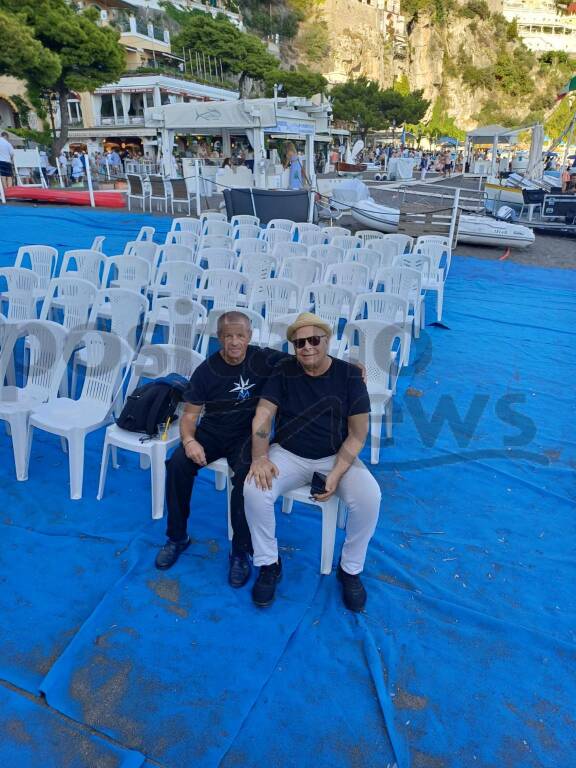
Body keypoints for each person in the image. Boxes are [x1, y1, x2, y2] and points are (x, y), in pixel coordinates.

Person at [244, 312, 381, 613]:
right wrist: (259, 456)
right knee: (254, 489)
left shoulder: (349, 376)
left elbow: (358, 435)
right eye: (299, 342)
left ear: (327, 341)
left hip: (336, 455)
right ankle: (268, 563)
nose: (307, 347)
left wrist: (336, 473)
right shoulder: (283, 370)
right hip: (289, 454)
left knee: (370, 497)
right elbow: (263, 416)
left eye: (314, 340)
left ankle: (350, 569)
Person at [155, 311, 290, 587]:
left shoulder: (263, 358)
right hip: (213, 432)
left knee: (245, 477)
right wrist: (190, 441)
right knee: (178, 463)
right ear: (219, 339)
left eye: (240, 335)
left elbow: (307, 358)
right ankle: (177, 537)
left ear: (249, 336)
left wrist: (347, 367)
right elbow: (190, 416)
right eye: (228, 336)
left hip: (246, 435)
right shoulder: (206, 370)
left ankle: (240, 551)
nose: (234, 342)